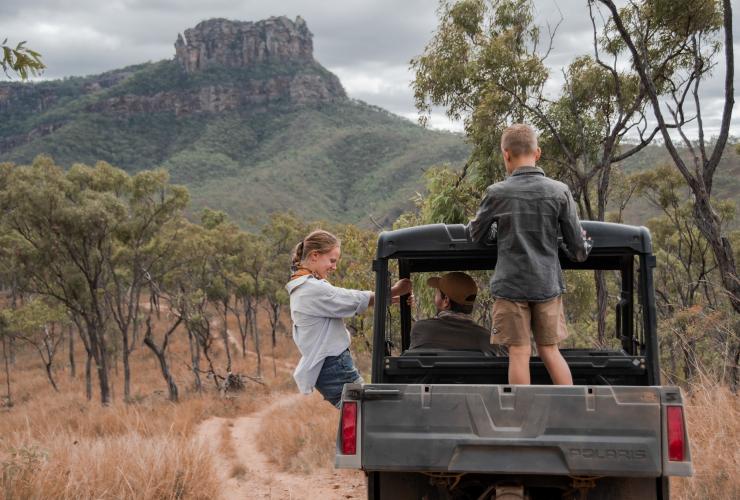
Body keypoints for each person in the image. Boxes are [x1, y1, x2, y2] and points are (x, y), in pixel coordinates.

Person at [469, 123, 591, 385]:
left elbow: (476, 235)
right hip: (547, 284)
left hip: (511, 286)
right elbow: (578, 249)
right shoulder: (560, 191)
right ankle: (571, 414)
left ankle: (521, 419)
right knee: (550, 350)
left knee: (519, 352)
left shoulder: (496, 193)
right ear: (538, 153)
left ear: (506, 154)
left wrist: (497, 233)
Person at [286, 229, 412, 407]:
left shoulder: (303, 287)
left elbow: (341, 302)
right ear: (315, 255)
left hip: (330, 366)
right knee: (373, 411)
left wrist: (390, 299)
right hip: (334, 366)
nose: (334, 267)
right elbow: (349, 298)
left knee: (365, 413)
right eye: (332, 260)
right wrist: (394, 290)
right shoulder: (311, 288)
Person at [409, 272, 497, 355]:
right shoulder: (487, 338)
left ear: (446, 301)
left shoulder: (421, 329)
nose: (434, 296)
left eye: (437, 292)